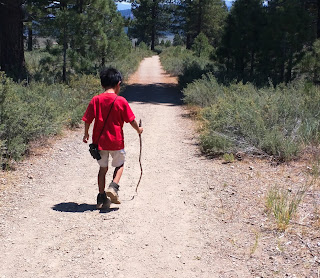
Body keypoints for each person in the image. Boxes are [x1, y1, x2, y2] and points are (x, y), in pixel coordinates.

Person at [82, 68, 143, 209]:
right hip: (116, 141)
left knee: (102, 169)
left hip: (99, 142)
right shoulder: (121, 101)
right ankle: (114, 186)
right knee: (120, 165)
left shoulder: (96, 100)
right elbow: (131, 120)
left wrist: (86, 134)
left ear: (102, 84)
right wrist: (138, 130)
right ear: (118, 84)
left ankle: (101, 196)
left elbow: (87, 119)